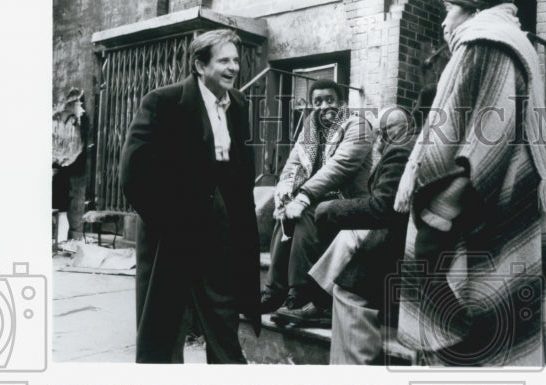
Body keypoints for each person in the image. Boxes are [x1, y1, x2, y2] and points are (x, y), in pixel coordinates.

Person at [393, 0, 546, 367]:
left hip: (483, 205)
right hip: (499, 196)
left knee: (472, 328)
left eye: (450, 10)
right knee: (493, 324)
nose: (443, 21)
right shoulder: (508, 44)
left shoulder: (486, 44)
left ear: (474, 10)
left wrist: (441, 211)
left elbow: (486, 138)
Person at [121, 30, 261, 363]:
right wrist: (171, 222)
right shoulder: (164, 102)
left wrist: (238, 221)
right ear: (199, 64)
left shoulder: (239, 104)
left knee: (224, 326)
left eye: (236, 60)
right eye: (223, 60)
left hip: (221, 232)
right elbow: (134, 172)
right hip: (172, 233)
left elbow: (240, 171)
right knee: (163, 336)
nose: (233, 68)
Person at [306, 106, 414, 361]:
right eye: (380, 132)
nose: (381, 138)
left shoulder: (400, 150)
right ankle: (317, 298)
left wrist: (330, 208)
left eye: (387, 131)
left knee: (348, 280)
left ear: (407, 126)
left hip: (402, 239)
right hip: (400, 230)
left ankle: (319, 300)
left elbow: (382, 208)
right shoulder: (405, 146)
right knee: (340, 231)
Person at [261, 80, 373, 326]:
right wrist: (285, 193)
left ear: (342, 102)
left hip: (350, 203)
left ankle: (300, 293)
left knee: (305, 213)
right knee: (285, 213)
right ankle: (275, 290)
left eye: (330, 100)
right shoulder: (310, 130)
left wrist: (304, 196)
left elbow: (340, 167)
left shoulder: (358, 126)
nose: (324, 106)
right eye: (318, 101)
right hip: (314, 198)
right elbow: (292, 165)